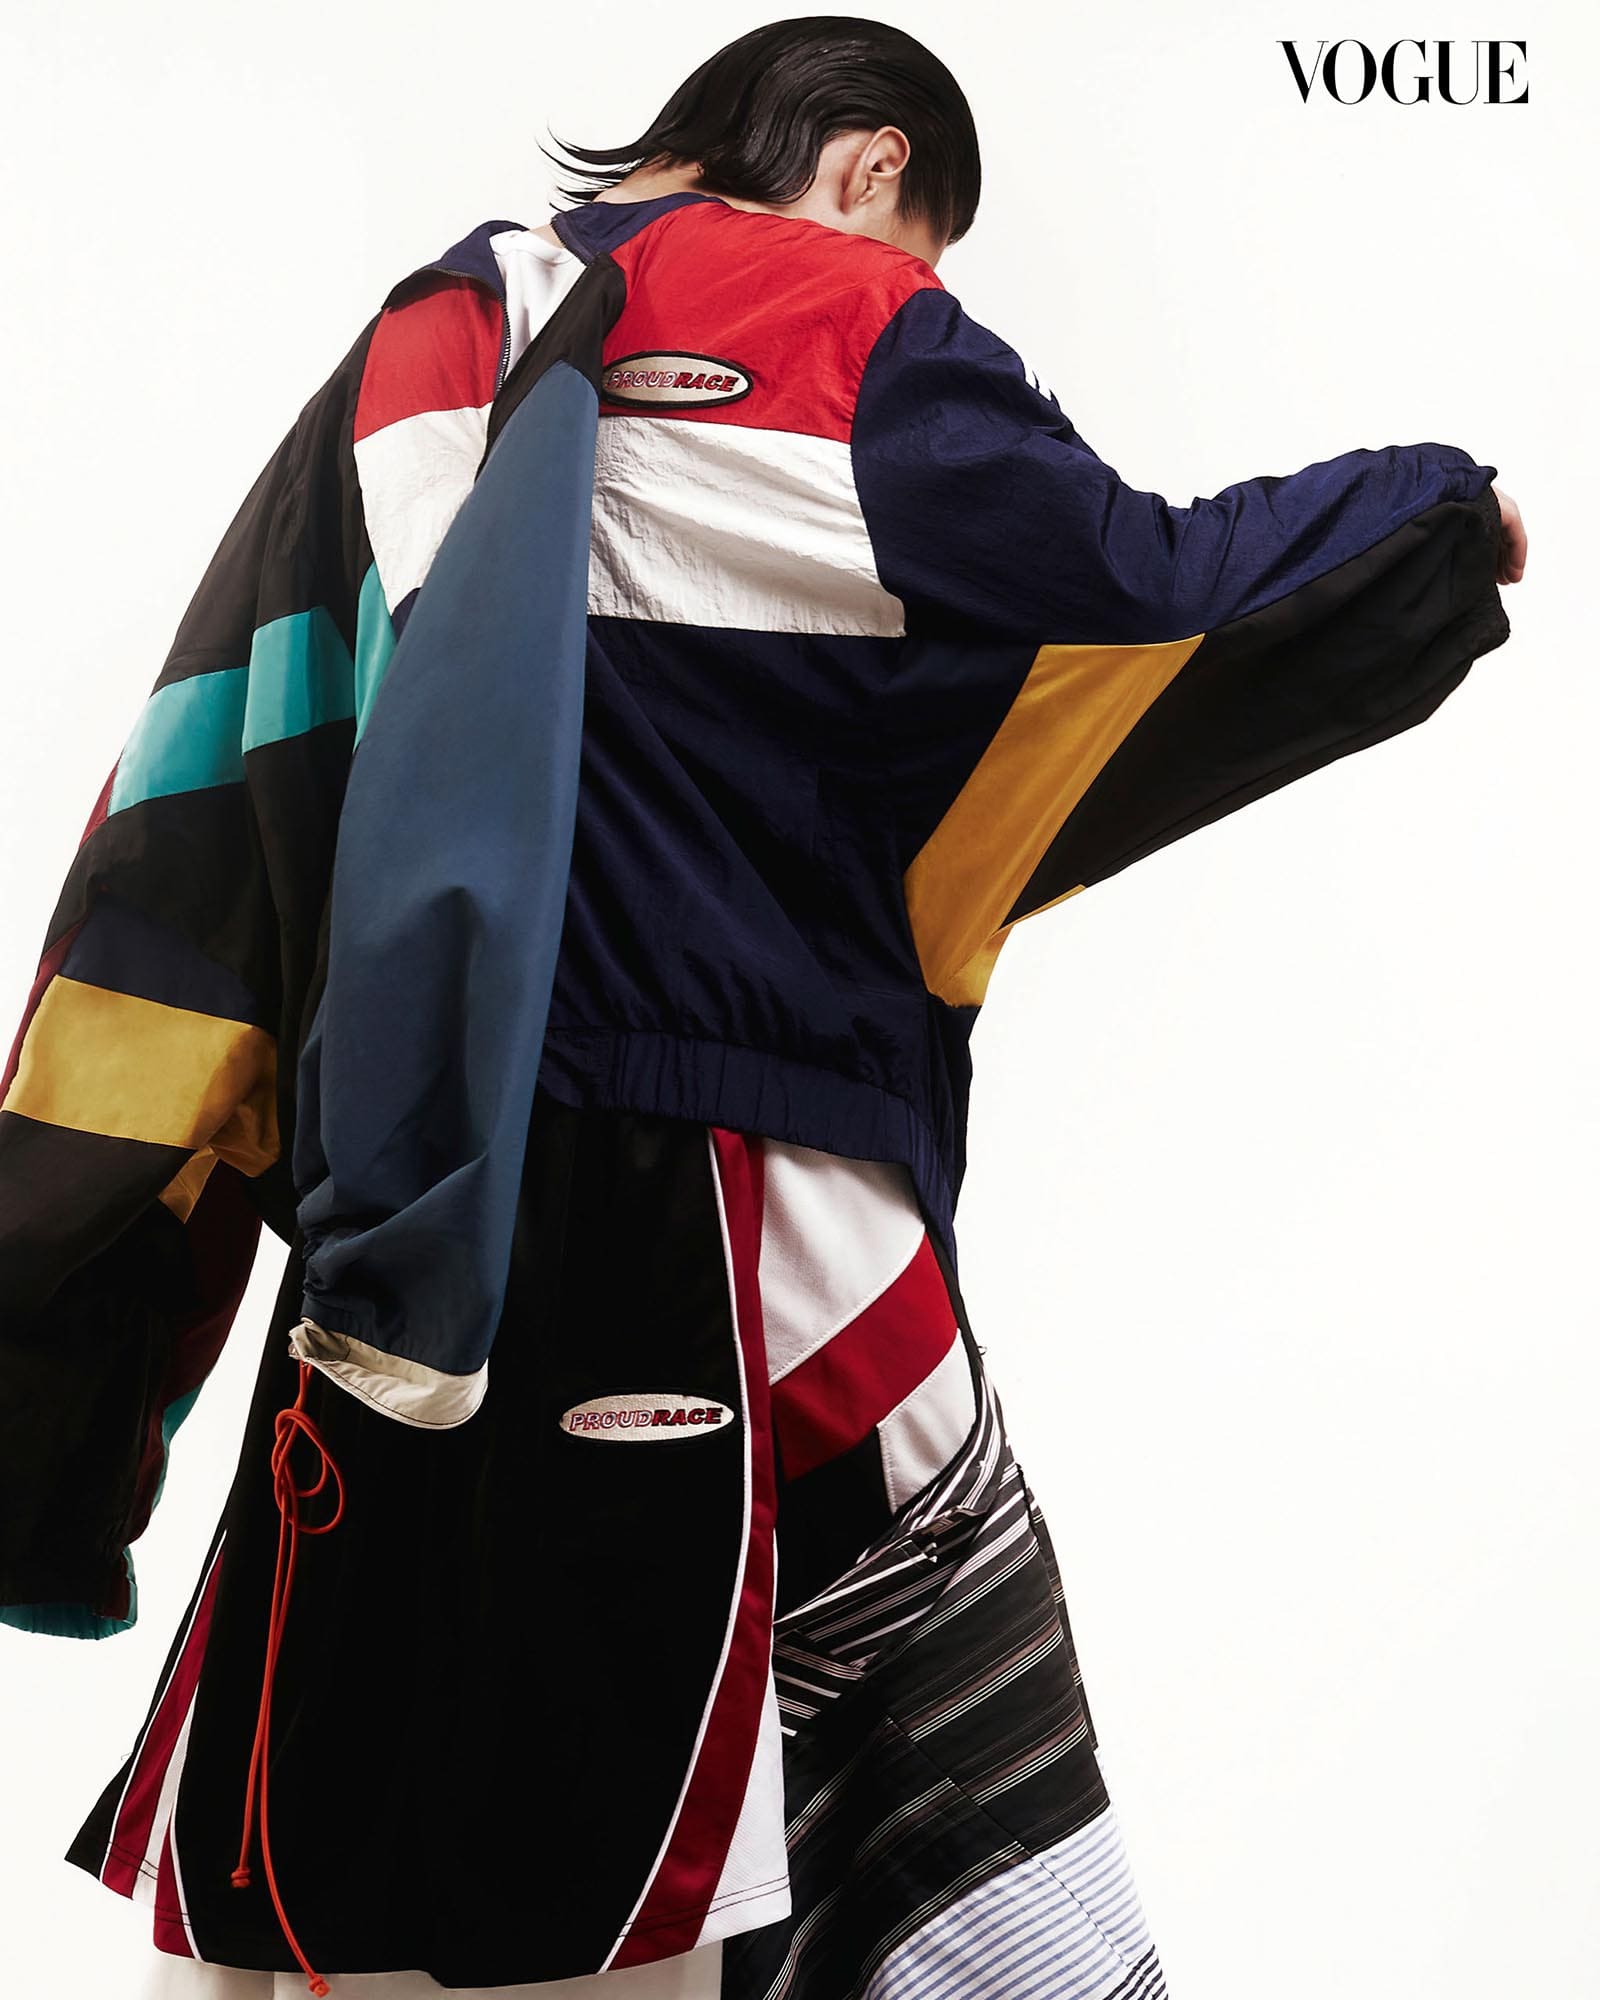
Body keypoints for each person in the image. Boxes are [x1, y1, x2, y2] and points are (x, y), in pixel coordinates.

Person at [0, 17, 1523, 2000]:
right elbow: (1141, 586)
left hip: (413, 1225)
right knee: (892, 1782)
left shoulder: (431, 347)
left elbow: (227, 792)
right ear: (868, 162)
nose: (926, 286)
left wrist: (77, 1297)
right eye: (927, 241)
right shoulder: (841, 319)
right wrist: (1433, 524)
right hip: (740, 1208)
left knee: (361, 1797)